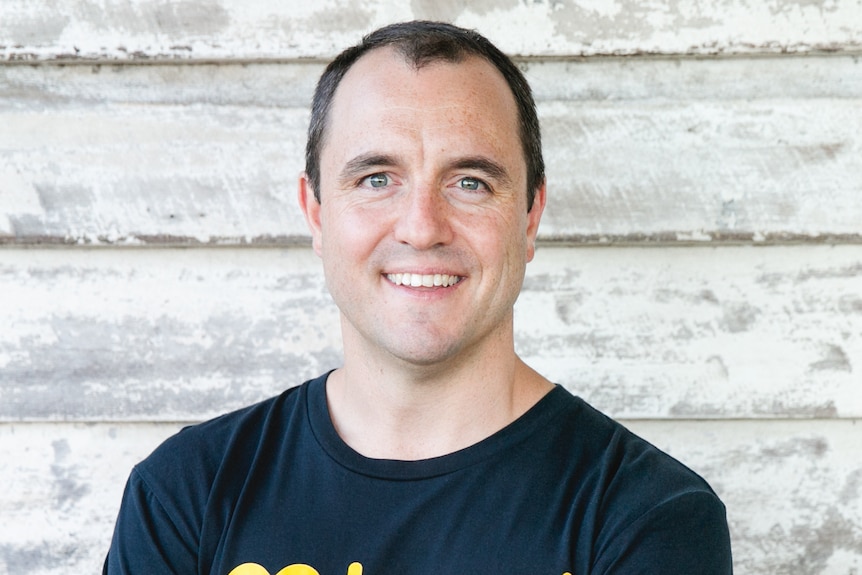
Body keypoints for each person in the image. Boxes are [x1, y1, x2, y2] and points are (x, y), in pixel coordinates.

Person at [103, 20, 732, 575]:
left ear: (531, 215)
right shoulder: (188, 492)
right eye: (377, 179)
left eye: (470, 182)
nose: (422, 227)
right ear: (316, 213)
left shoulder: (647, 518)